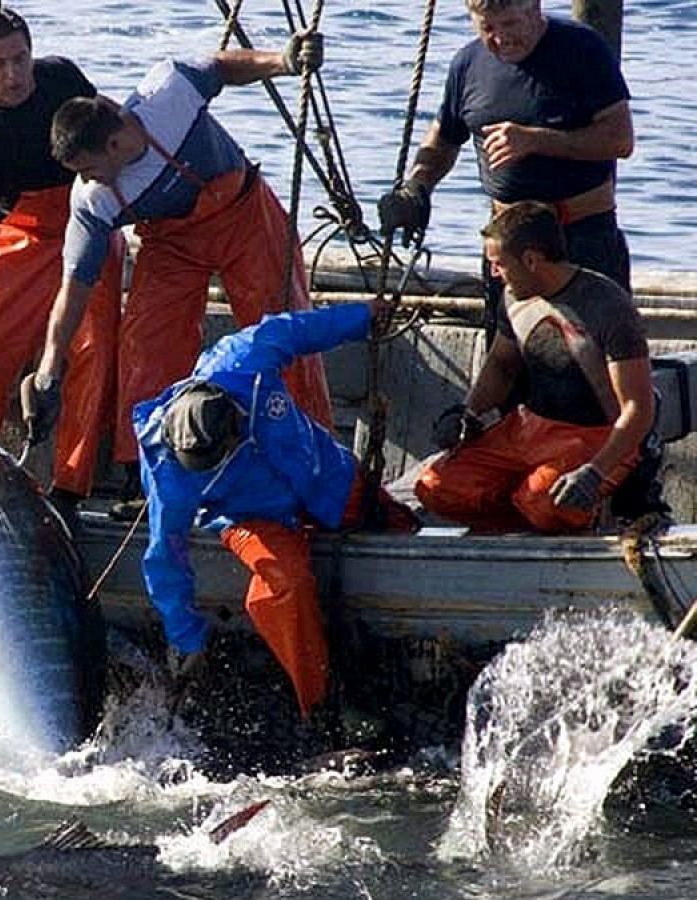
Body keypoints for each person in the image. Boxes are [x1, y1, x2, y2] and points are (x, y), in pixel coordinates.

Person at [26, 32, 334, 520]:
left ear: (113, 142)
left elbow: (221, 67)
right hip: (170, 243)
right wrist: (49, 366)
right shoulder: (92, 202)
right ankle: (148, 479)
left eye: (88, 168)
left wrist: (283, 61)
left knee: (281, 334)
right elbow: (74, 288)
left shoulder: (167, 94)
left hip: (244, 216)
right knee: (145, 347)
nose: (86, 181)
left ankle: (312, 466)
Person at [134, 298, 413, 718]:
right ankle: (318, 706)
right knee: (284, 583)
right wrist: (187, 638)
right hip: (253, 518)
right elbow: (164, 557)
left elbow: (296, 330)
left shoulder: (242, 359)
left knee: (400, 527)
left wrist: (361, 318)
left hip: (326, 478)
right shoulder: (167, 473)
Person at [0, 7, 122, 511]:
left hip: (91, 217)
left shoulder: (62, 77)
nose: (13, 75)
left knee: (93, 347)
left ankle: (70, 487)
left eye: (20, 59)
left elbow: (114, 128)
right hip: (24, 234)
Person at [377, 0, 634, 317]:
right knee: (508, 353)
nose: (500, 38)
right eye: (487, 28)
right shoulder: (468, 63)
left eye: (510, 24)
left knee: (594, 350)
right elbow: (444, 138)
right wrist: (417, 189)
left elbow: (620, 139)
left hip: (582, 238)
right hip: (508, 244)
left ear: (534, 9)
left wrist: (537, 140)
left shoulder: (581, 49)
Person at [415, 202, 653, 533]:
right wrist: (467, 413)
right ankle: (523, 519)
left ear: (531, 260)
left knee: (544, 504)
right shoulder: (513, 298)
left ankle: (581, 512)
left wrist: (595, 472)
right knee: (436, 487)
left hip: (595, 437)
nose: (495, 275)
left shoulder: (607, 306)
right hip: (529, 428)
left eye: (499, 265)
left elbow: (638, 409)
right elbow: (501, 365)